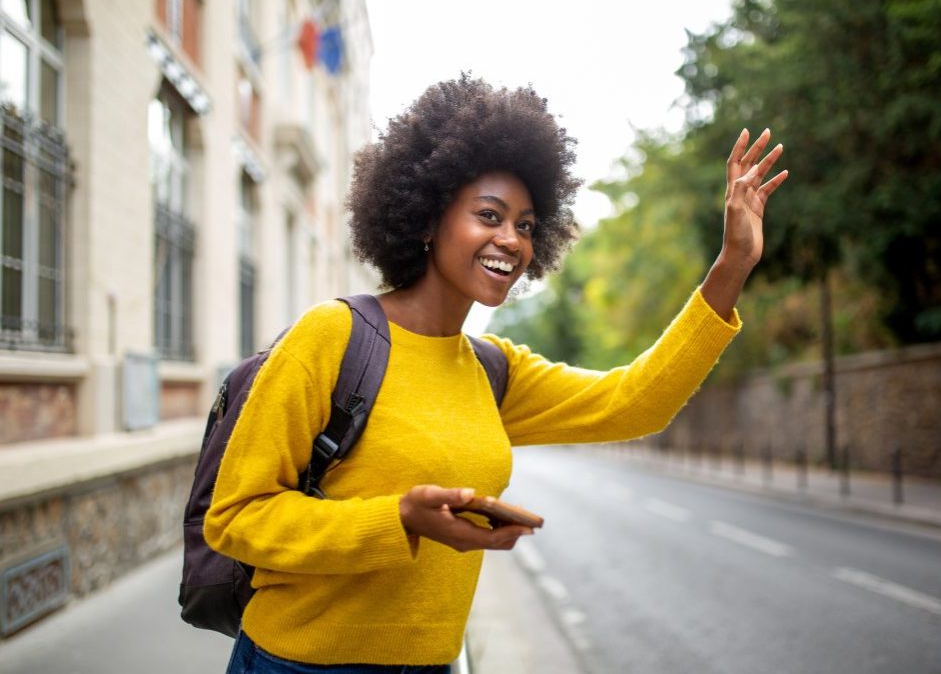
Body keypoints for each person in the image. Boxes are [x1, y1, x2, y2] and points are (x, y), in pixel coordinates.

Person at [204, 74, 787, 673]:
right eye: (489, 215)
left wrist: (732, 264)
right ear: (428, 220)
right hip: (298, 666)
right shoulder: (333, 336)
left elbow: (634, 403)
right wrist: (398, 518)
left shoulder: (492, 369)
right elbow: (236, 517)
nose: (510, 240)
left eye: (527, 226)